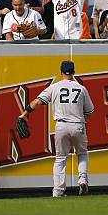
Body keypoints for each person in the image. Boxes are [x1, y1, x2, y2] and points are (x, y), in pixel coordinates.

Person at [19, 60, 94, 197]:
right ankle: (82, 180)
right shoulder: (81, 88)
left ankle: (58, 191)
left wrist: (24, 114)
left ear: (61, 72)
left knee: (60, 158)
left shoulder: (55, 87)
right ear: (74, 72)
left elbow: (37, 102)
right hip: (78, 125)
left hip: (61, 126)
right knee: (82, 153)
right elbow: (90, 111)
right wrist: (82, 121)